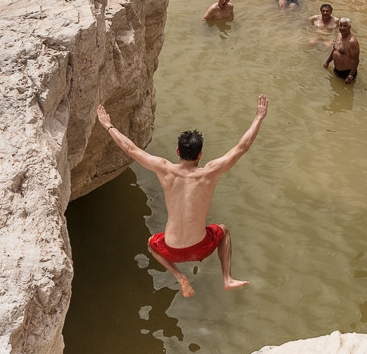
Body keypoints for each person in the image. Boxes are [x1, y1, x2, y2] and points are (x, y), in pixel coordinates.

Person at [96, 96, 269, 297]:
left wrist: (108, 125)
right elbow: (242, 147)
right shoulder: (210, 172)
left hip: (171, 249)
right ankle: (227, 278)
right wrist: (258, 117)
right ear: (201, 155)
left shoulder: (164, 169)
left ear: (177, 151)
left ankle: (180, 278)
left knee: (153, 243)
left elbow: (130, 148)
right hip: (201, 247)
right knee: (224, 230)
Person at [323, 17, 359, 83]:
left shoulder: (352, 41)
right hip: (336, 70)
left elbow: (356, 60)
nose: (342, 28)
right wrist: (327, 62)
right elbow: (334, 50)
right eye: (341, 25)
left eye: (345, 26)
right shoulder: (338, 35)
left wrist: (350, 76)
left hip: (347, 73)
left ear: (349, 27)